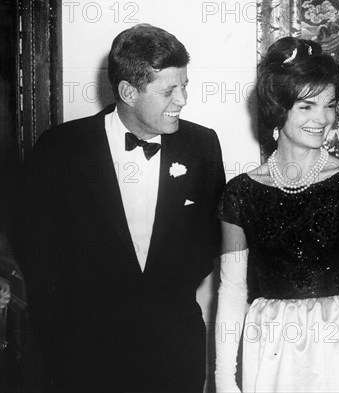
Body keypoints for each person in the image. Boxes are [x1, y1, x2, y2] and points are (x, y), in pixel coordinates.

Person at [17, 24, 225, 392]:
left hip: (173, 352)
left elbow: (210, 239)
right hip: (83, 355)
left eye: (185, 85)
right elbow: (36, 249)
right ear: (128, 91)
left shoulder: (202, 145)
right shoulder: (61, 149)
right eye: (168, 91)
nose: (182, 100)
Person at [215, 37, 339, 392]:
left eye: (330, 105)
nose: (322, 119)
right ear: (278, 110)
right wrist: (223, 378)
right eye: (307, 106)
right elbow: (233, 291)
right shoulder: (241, 192)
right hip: (271, 347)